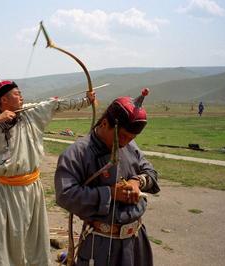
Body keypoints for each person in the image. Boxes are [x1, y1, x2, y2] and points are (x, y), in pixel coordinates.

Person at [0, 80, 96, 266]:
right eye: (17, 94)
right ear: (4, 101)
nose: (21, 96)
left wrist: (85, 101)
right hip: (9, 191)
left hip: (33, 187)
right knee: (12, 236)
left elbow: (56, 103)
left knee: (35, 235)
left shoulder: (31, 113)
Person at [54, 90, 160, 266]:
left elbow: (150, 171)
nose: (126, 142)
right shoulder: (76, 153)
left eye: (131, 138)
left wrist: (137, 181)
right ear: (104, 123)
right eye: (123, 136)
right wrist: (110, 194)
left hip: (136, 240)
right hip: (101, 243)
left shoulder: (130, 145)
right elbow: (65, 194)